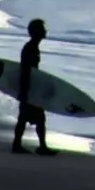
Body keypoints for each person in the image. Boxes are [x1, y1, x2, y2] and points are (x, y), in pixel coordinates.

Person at [12, 18, 57, 155]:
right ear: (36, 32)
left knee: (33, 117)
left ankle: (26, 145)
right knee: (29, 117)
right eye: (42, 29)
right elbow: (25, 70)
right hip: (29, 88)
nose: (45, 31)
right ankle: (25, 146)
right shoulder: (30, 48)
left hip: (31, 87)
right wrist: (24, 91)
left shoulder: (32, 47)